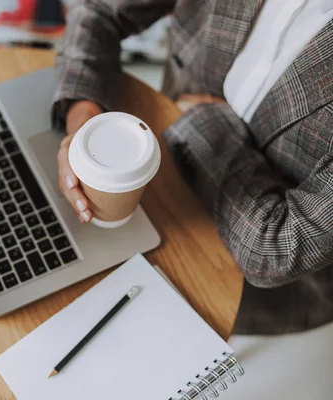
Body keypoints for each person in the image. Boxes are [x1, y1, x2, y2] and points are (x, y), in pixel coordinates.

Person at [53, 0, 333, 335]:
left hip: (239, 267)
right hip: (162, 162)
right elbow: (98, 8)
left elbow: (274, 249)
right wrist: (82, 118)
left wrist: (201, 119)